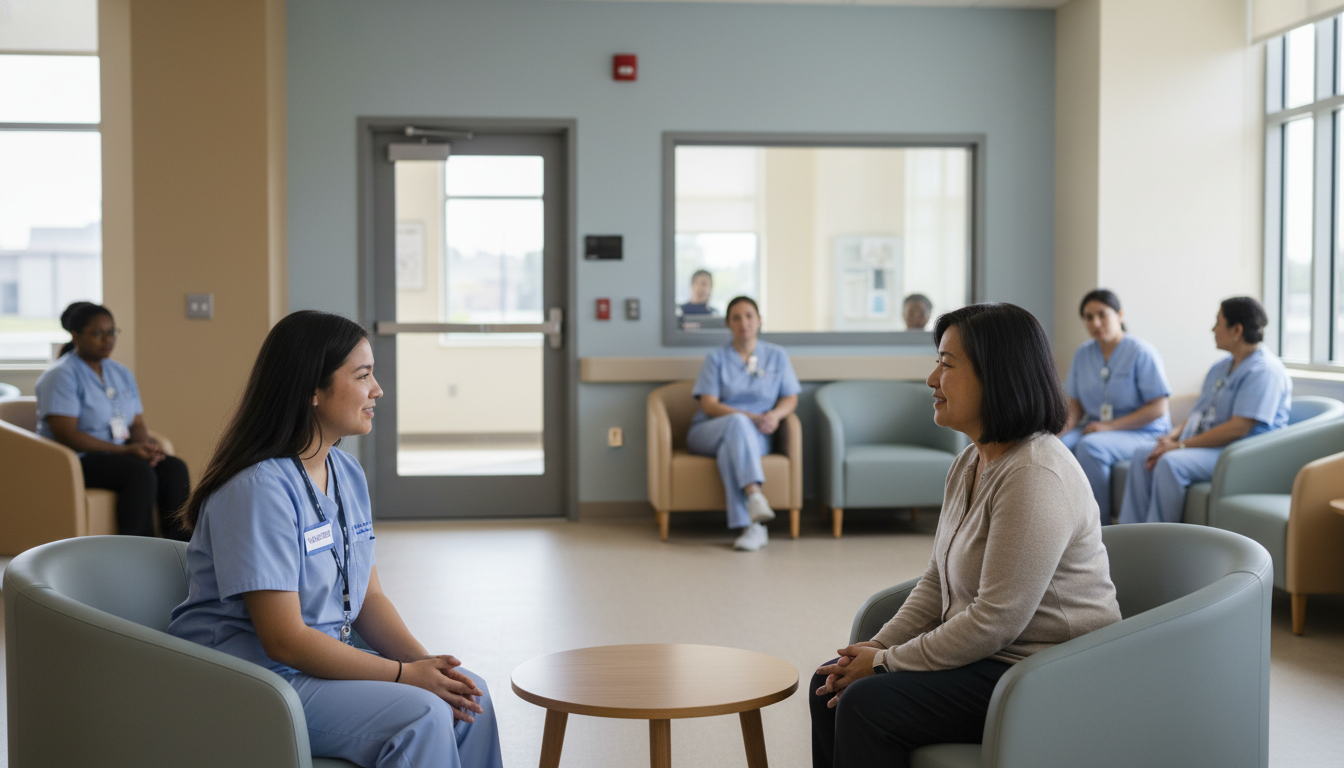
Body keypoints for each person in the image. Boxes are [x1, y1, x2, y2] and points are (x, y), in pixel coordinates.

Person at [167, 310, 502, 768]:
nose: (377, 390)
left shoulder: (345, 471)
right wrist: (405, 677)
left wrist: (430, 668)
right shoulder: (257, 489)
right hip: (252, 679)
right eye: (363, 375)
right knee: (420, 714)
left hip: (319, 661)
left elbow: (367, 596)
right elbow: (283, 640)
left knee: (465, 700)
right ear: (313, 391)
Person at [809, 303, 1122, 768]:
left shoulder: (1034, 474)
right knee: (828, 685)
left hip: (1045, 673)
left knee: (865, 703)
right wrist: (879, 645)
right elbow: (936, 581)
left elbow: (996, 621)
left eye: (946, 364)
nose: (932, 380)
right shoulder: (971, 461)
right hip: (992, 659)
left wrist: (884, 664)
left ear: (997, 377)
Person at [1118, 297, 1291, 525]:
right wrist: (1170, 437)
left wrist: (1180, 446)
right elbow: (1199, 413)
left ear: (1236, 329)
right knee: (1143, 453)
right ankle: (1131, 534)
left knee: (1171, 463)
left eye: (1218, 322)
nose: (1213, 329)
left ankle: (1157, 544)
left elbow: (1238, 428)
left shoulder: (1265, 371)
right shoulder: (1220, 368)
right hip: (1210, 446)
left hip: (1240, 453)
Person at [35, 301, 190, 540]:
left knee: (173, 467)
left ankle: (180, 547)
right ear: (76, 336)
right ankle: (138, 549)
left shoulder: (120, 372)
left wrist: (146, 446)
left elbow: (136, 423)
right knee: (138, 473)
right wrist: (127, 451)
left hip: (121, 454)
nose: (107, 339)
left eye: (112, 332)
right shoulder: (60, 376)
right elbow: (68, 436)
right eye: (98, 333)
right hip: (76, 461)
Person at [687, 296, 800, 551]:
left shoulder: (776, 356)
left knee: (732, 449)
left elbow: (790, 397)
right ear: (728, 324)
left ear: (759, 320)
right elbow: (709, 404)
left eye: (749, 316)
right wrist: (750, 417)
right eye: (736, 318)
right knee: (737, 423)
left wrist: (775, 416)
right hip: (708, 430)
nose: (743, 323)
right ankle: (754, 493)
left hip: (756, 436)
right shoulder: (716, 358)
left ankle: (752, 527)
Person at [1057, 289, 1172, 525]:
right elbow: (1076, 405)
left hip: (1142, 432)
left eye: (1102, 315)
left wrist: (1110, 427)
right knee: (1056, 446)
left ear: (1119, 315)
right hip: (1096, 426)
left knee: (1091, 448)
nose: (1095, 323)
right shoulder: (1083, 353)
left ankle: (1098, 526)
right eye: (1089, 317)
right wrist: (1059, 430)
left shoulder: (1141, 352)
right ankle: (1062, 522)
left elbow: (1158, 408)